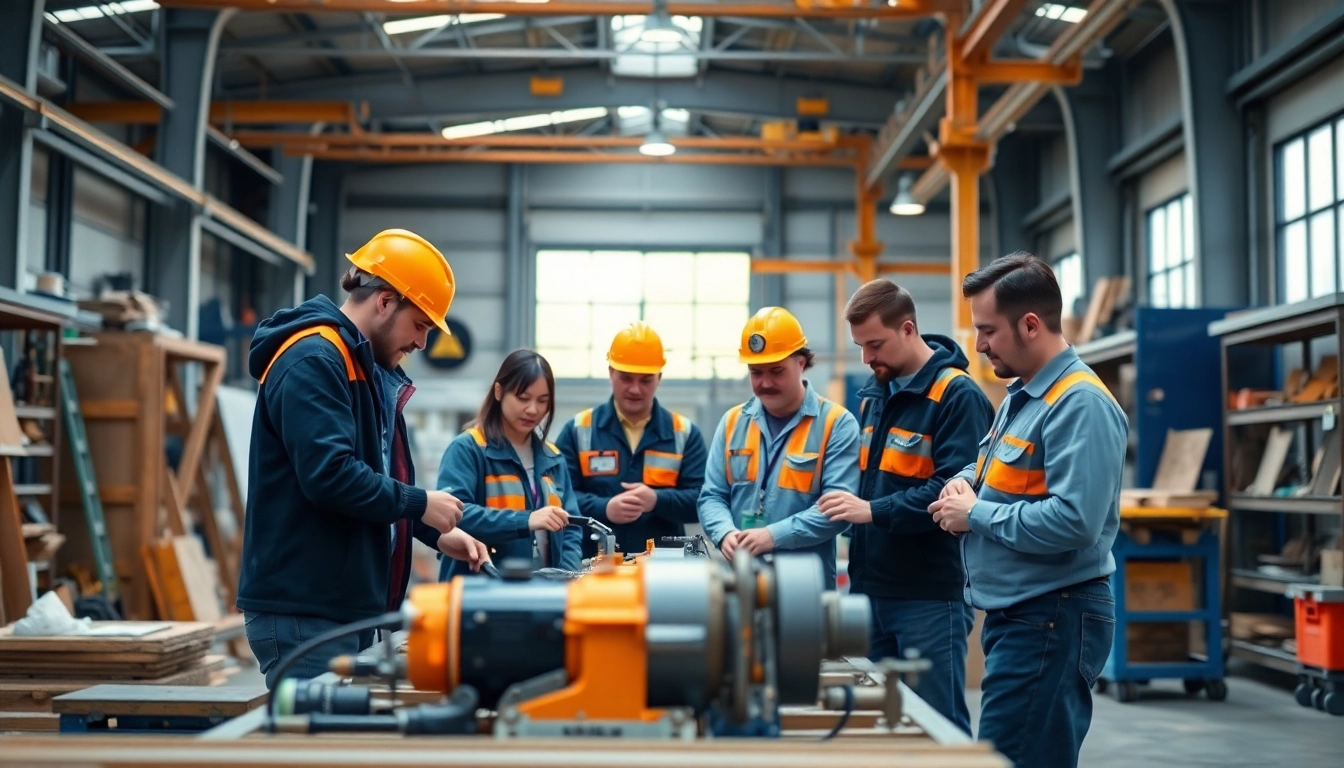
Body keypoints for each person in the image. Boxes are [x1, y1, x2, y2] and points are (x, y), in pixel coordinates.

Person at [238, 228, 489, 690]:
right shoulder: (315, 359)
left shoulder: (365, 368)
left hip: (336, 606)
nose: (422, 343)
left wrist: (430, 531)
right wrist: (419, 504)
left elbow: (370, 483)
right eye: (420, 325)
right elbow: (330, 476)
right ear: (386, 301)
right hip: (305, 611)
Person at [928, 252, 1127, 768]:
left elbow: (1075, 522)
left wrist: (976, 515)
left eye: (988, 330)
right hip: (1024, 617)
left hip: (1052, 617)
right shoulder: (1022, 396)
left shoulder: (1079, 403)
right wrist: (963, 483)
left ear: (1031, 324)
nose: (978, 344)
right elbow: (994, 473)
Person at [818, 279, 992, 735]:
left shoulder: (958, 396)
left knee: (936, 727)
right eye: (859, 346)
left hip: (928, 597)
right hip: (870, 589)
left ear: (908, 329)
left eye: (874, 344)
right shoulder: (878, 393)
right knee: (877, 724)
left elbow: (952, 490)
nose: (866, 358)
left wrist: (872, 511)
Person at [697, 307, 859, 588]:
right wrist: (724, 533)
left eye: (776, 371)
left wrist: (773, 535)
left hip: (804, 589)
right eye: (755, 372)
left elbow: (838, 509)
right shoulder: (733, 422)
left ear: (801, 363)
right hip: (738, 584)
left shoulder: (836, 424)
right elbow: (712, 496)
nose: (765, 383)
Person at [555, 323, 708, 559]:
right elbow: (559, 497)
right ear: (610, 373)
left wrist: (657, 500)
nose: (635, 389)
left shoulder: (684, 434)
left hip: (664, 570)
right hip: (593, 565)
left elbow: (702, 501)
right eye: (626, 378)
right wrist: (604, 508)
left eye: (646, 380)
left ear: (659, 377)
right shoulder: (578, 430)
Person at [437, 350, 583, 579]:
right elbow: (454, 515)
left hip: (543, 597)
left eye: (542, 401)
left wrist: (564, 576)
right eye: (523, 398)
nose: (533, 409)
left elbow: (572, 526)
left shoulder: (554, 458)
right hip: (479, 593)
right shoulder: (469, 449)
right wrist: (526, 520)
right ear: (499, 391)